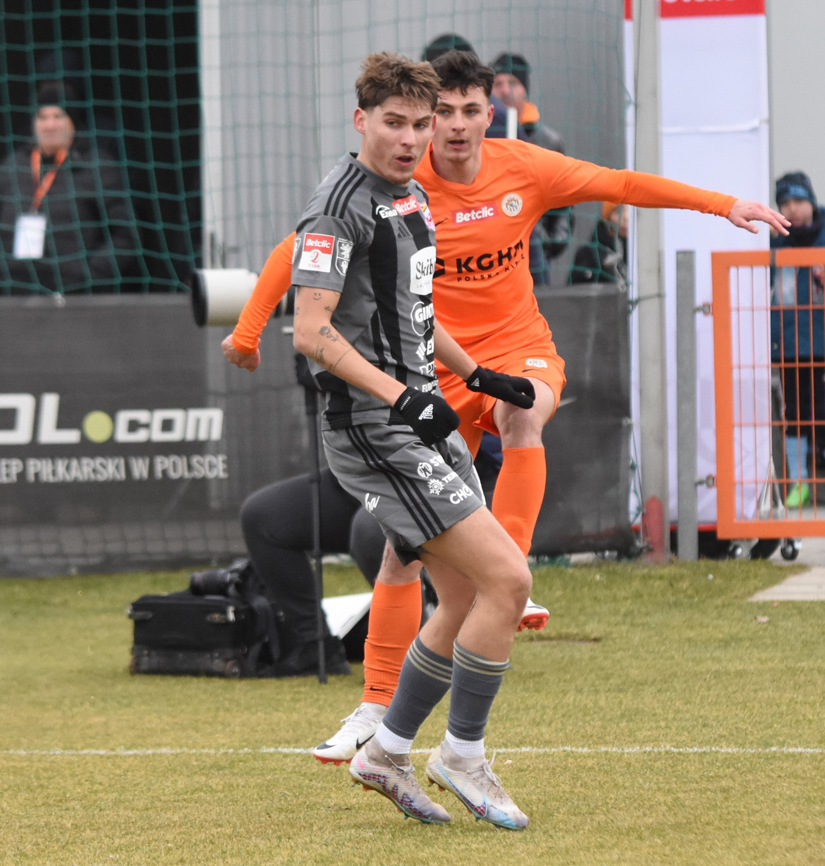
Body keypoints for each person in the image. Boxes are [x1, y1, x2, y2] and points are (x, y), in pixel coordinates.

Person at [225, 50, 787, 769]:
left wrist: (721, 203)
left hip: (514, 354)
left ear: (491, 114)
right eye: (438, 115)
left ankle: (511, 575)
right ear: (388, 122)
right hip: (435, 372)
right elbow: (299, 249)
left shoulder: (522, 168)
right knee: (401, 550)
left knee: (521, 423)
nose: (451, 127)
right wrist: (247, 332)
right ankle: (376, 709)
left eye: (467, 112)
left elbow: (620, 183)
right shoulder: (395, 188)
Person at [290, 50, 542, 829]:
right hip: (375, 429)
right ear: (360, 120)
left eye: (418, 124)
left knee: (465, 594)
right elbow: (310, 332)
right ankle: (461, 754)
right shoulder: (337, 210)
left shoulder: (412, 196)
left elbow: (414, 315)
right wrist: (401, 397)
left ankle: (387, 750)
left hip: (420, 412)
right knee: (509, 582)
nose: (408, 139)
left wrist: (479, 375)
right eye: (392, 123)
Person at [0, 82, 138, 295]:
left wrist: (90, 276)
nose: (49, 125)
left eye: (58, 116)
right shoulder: (12, 166)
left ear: (72, 122)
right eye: (42, 117)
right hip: (14, 292)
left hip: (73, 295)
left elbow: (126, 234)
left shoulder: (98, 167)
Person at [239, 468, 387, 677]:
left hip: (418, 479)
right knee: (262, 514)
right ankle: (314, 647)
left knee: (370, 531)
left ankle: (413, 651)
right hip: (355, 475)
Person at [769, 172, 825, 508]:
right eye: (784, 203)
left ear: (812, 202)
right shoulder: (774, 244)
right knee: (792, 416)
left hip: (824, 348)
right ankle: (798, 483)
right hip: (787, 347)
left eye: (798, 201)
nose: (792, 209)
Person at [490, 51, 571, 285]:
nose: (505, 91)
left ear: (525, 89)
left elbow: (563, 206)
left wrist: (545, 243)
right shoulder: (480, 136)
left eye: (513, 83)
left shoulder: (548, 141)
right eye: (498, 84)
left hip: (534, 258)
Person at [569, 201, 629, 284]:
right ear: (607, 217)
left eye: (629, 212)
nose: (626, 217)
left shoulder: (637, 253)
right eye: (618, 212)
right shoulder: (589, 255)